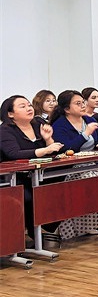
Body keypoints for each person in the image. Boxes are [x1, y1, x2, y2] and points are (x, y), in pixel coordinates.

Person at [49, 90, 98, 239]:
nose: (83, 105)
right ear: (67, 109)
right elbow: (66, 149)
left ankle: (90, 224)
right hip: (70, 168)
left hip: (92, 163)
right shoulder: (60, 125)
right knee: (90, 178)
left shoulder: (88, 119)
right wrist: (85, 134)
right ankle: (76, 226)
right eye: (78, 103)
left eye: (83, 102)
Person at [0, 95, 64, 237]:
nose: (29, 108)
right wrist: (44, 150)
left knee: (61, 188)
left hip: (40, 173)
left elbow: (53, 150)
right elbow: (13, 153)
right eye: (22, 106)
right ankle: (33, 231)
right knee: (30, 197)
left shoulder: (38, 124)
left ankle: (45, 228)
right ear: (10, 114)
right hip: (17, 177)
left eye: (29, 105)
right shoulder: (5, 130)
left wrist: (48, 139)